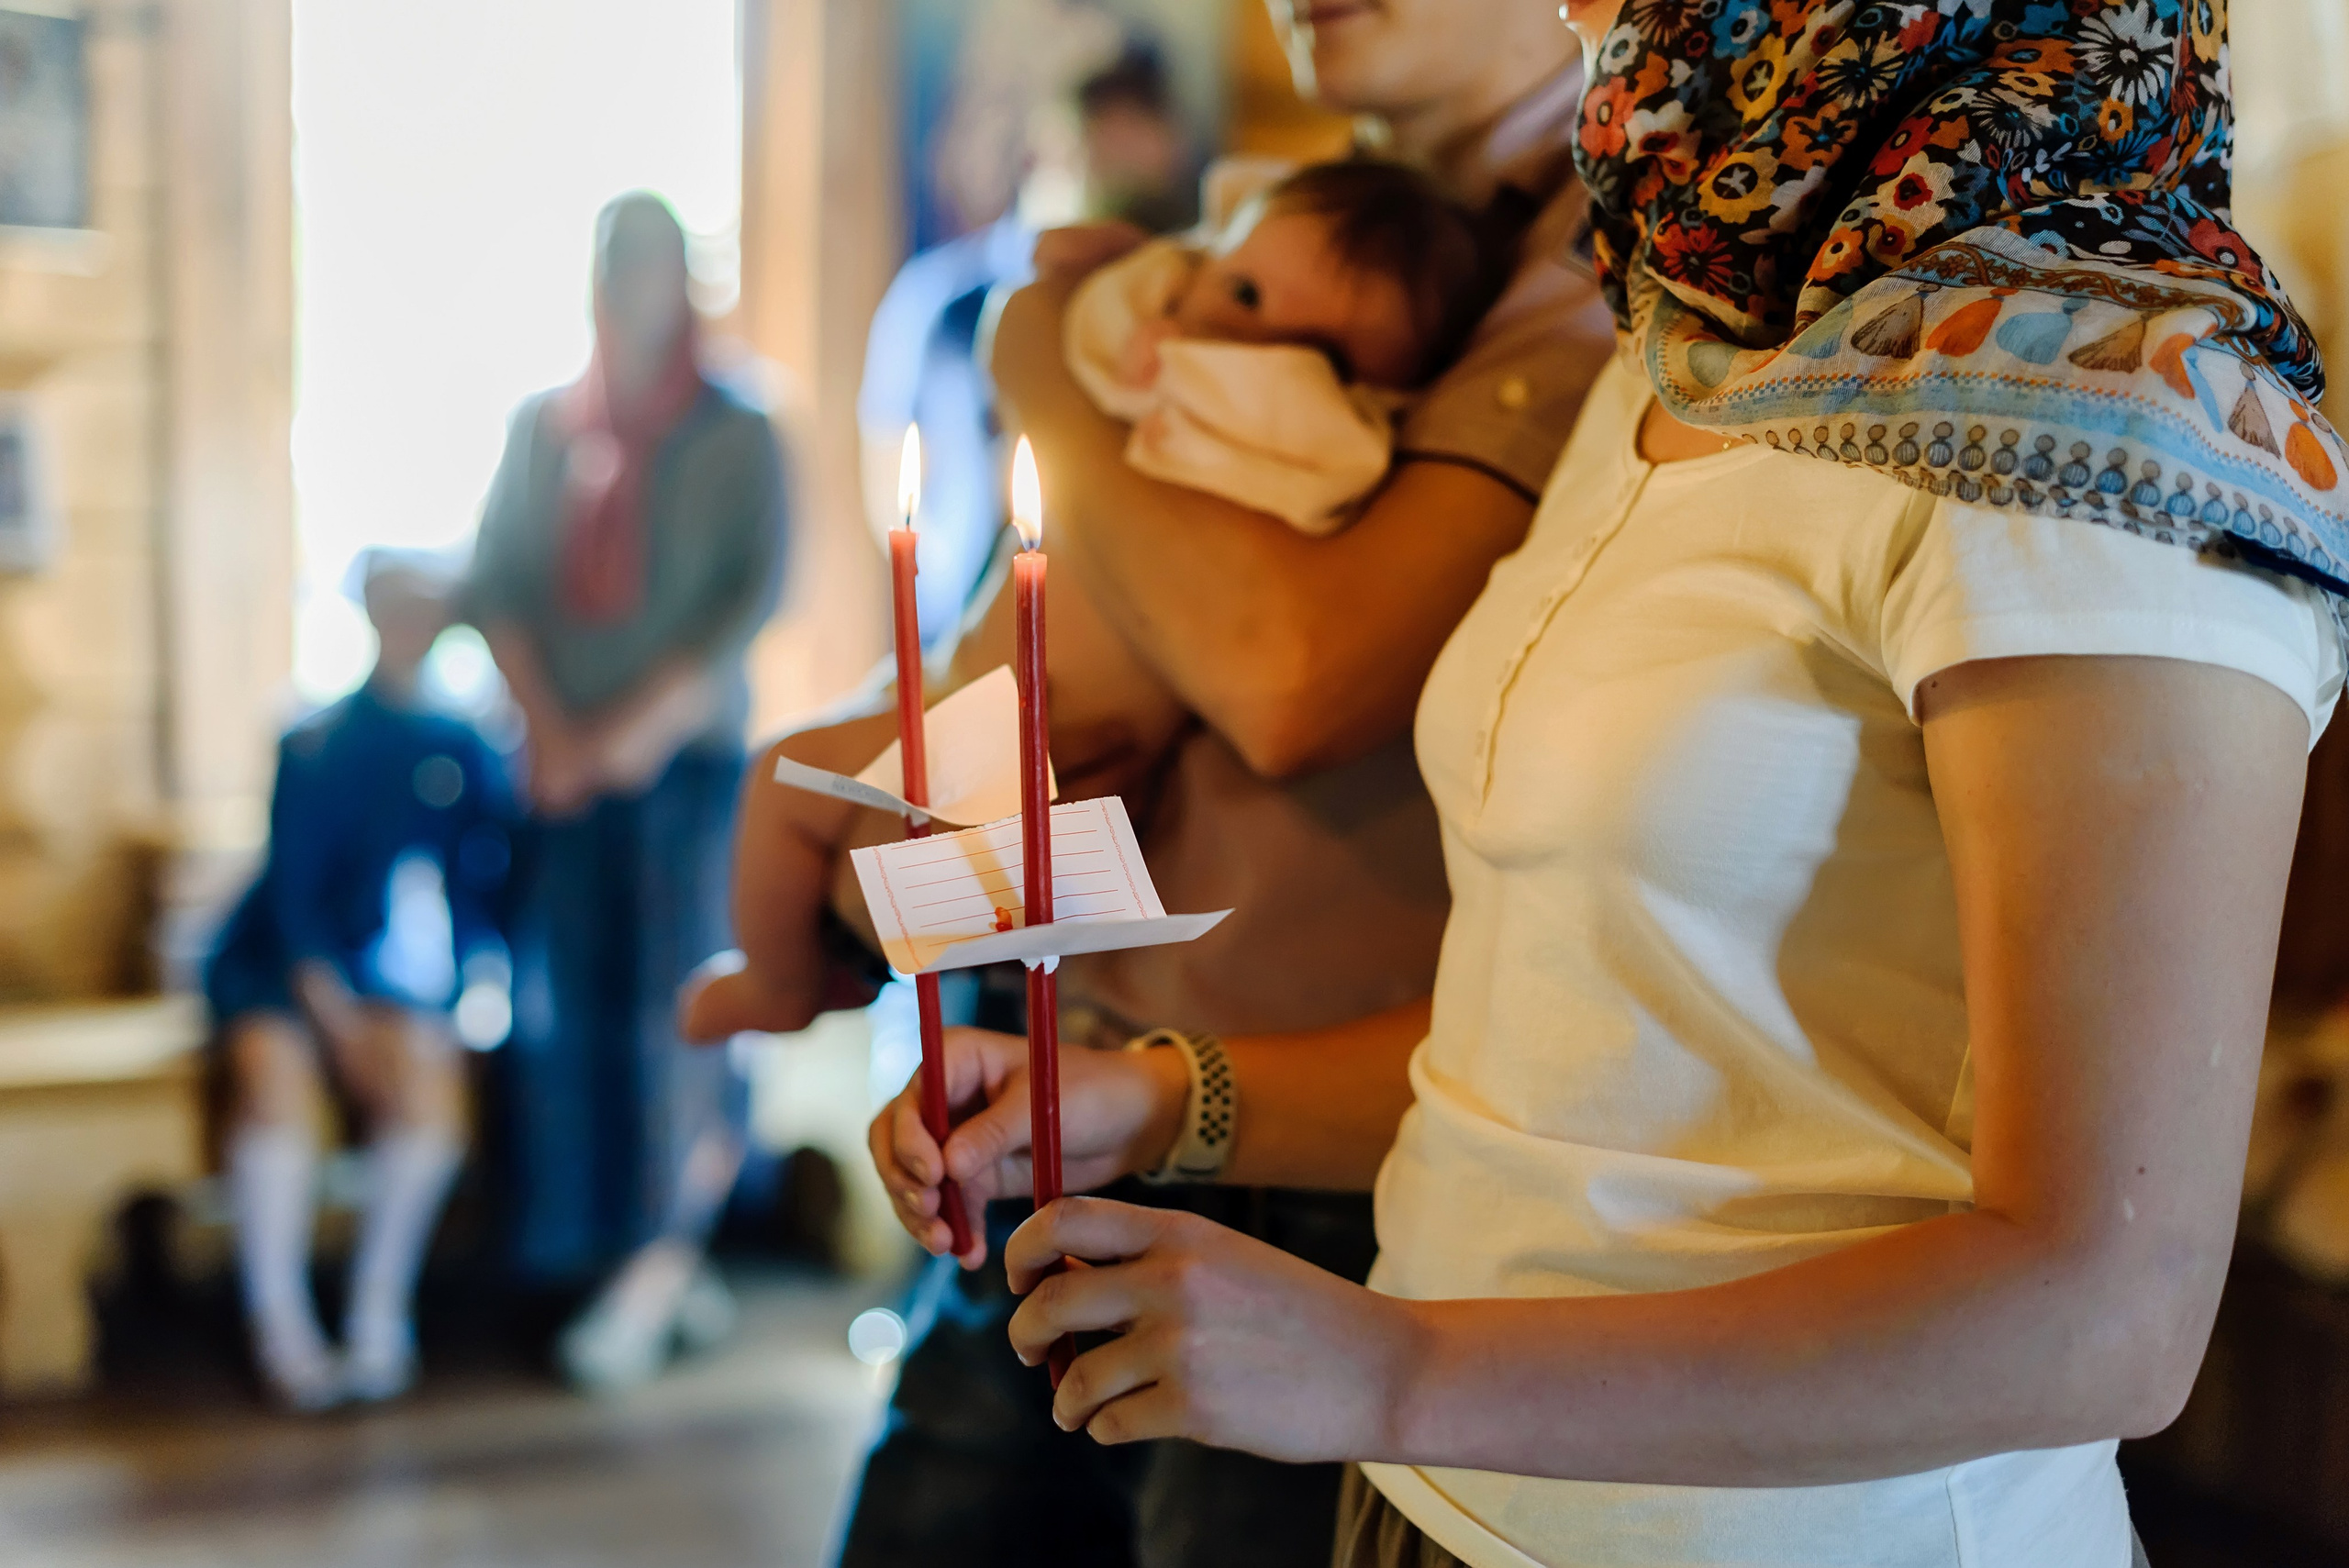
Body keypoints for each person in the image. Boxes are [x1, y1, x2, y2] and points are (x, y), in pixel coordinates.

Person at [875, 2, 2349, 1564]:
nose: (1583, 8)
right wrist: (1172, 1098)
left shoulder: (2116, 411)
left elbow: (2101, 1305)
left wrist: (1396, 1365)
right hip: (1433, 1497)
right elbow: (1600, 1026)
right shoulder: (1690, 344)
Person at [685, 2, 1618, 1562]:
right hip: (1063, 1059)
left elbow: (1285, 670)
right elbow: (1059, 612)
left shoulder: (1593, 267)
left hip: (1296, 1139)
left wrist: (1034, 358)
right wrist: (892, 854)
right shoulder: (1296, 211)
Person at [467, 191, 788, 1393]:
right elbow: (497, 582)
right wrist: (556, 732)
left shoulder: (740, 430)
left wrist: (635, 730)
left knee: (679, 1018)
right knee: (563, 1016)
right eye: (616, 265)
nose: (632, 286)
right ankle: (593, 1251)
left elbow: (746, 602)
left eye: (651, 264)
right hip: (558, 774)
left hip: (685, 770)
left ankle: (660, 1258)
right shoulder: (547, 429)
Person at [208, 550, 515, 1411]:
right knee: (273, 1072)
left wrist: (466, 1003)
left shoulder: (464, 746)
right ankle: (279, 1321)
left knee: (428, 1087)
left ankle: (379, 1307)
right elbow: (293, 898)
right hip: (284, 971)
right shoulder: (314, 740)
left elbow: (480, 887)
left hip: (397, 980)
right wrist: (337, 1026)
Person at [1067, 159, 1504, 534]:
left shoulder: (1336, 454)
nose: (1250, 349)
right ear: (1205, 262)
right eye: (1245, 295)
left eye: (1316, 357)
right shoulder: (1157, 291)